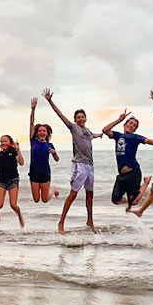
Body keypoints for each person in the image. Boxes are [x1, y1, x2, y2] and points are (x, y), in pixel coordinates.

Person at [42, 89, 101, 234]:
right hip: (79, 164)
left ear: (85, 118)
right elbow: (60, 115)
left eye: (82, 117)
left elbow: (95, 134)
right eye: (78, 117)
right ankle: (61, 223)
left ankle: (90, 221)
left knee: (89, 195)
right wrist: (50, 101)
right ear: (75, 120)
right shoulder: (73, 128)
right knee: (73, 194)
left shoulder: (88, 131)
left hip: (90, 165)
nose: (80, 119)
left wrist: (101, 134)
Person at [101, 110, 153, 211]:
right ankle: (129, 203)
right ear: (125, 124)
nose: (132, 125)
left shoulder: (134, 137)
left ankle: (146, 182)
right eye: (130, 123)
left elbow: (148, 141)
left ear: (135, 129)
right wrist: (119, 119)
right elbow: (105, 130)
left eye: (134, 125)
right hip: (122, 175)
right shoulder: (118, 136)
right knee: (115, 200)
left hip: (133, 173)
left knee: (135, 201)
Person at [28, 97, 60, 202]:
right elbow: (31, 123)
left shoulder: (49, 145)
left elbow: (57, 159)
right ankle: (51, 189)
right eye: (40, 131)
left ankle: (53, 189)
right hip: (33, 173)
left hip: (45, 173)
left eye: (44, 131)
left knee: (45, 199)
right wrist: (33, 109)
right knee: (36, 199)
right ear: (37, 133)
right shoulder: (33, 141)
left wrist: (54, 153)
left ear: (47, 133)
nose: (42, 132)